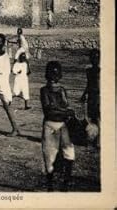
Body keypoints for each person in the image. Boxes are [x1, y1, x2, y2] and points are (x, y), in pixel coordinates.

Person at [40, 61, 75, 191]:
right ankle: (51, 187)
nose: (54, 76)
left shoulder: (60, 90)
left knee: (69, 153)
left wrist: (62, 111)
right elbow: (48, 111)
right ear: (47, 75)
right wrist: (65, 112)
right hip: (51, 126)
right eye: (52, 73)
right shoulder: (45, 90)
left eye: (56, 73)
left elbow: (56, 108)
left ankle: (65, 184)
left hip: (60, 125)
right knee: (49, 157)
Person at [80, 49, 100, 143]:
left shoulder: (99, 71)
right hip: (92, 96)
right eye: (93, 58)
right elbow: (89, 84)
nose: (94, 60)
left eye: (96, 58)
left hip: (97, 96)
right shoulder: (89, 71)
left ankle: (98, 140)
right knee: (92, 117)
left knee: (98, 118)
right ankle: (94, 138)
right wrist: (84, 94)